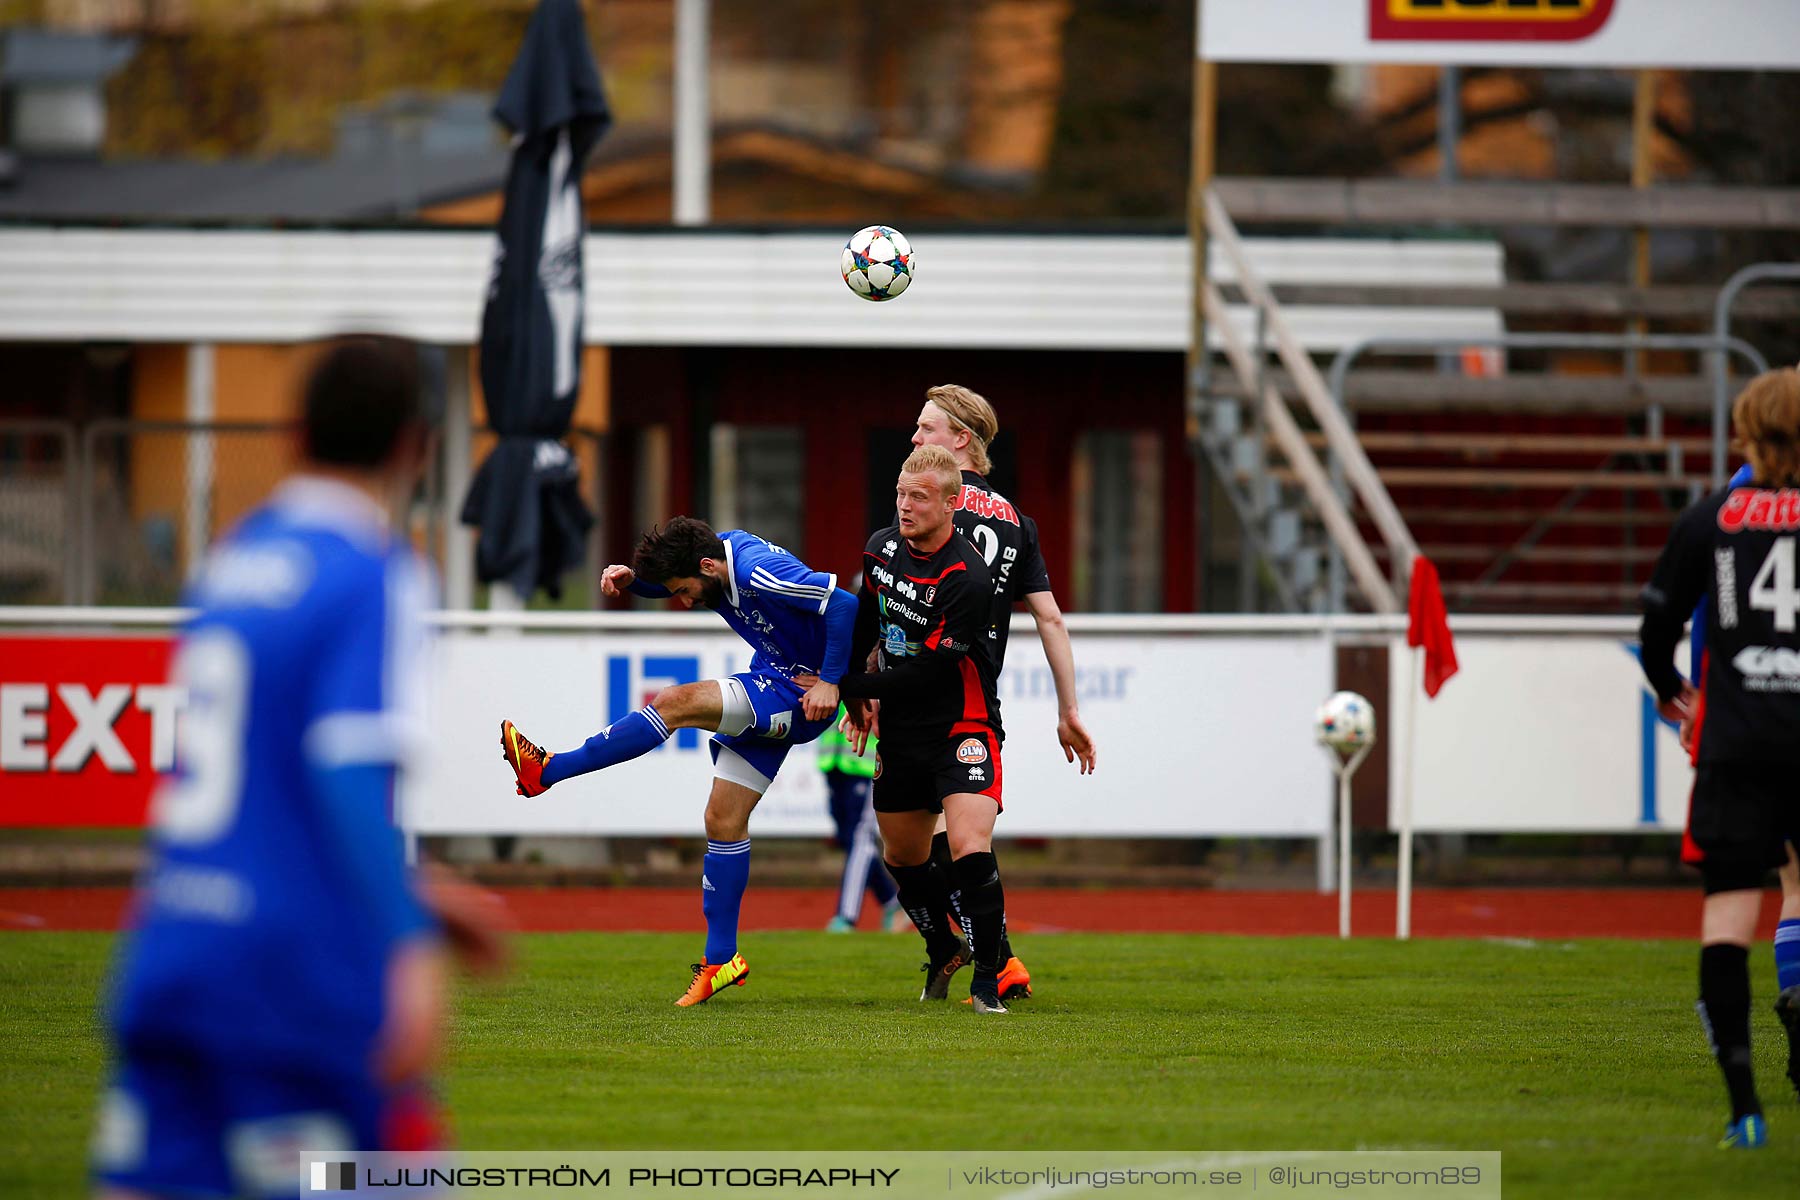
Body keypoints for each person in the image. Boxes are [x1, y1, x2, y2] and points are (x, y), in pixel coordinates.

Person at [92, 336, 509, 1200]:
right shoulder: (373, 574)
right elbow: (347, 773)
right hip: (289, 978)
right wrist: (409, 949)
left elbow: (258, 791)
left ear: (291, 433)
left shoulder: (229, 565)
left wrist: (426, 895)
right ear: (415, 446)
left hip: (171, 955)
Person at [500, 517, 856, 1005]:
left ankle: (547, 770)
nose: (685, 600)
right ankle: (721, 961)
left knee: (673, 701)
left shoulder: (755, 571)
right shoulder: (716, 560)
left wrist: (832, 681)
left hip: (797, 693)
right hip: (778, 678)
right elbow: (687, 579)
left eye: (685, 590)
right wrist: (636, 582)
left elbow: (842, 603)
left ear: (709, 566)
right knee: (722, 819)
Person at [1638, 366, 1800, 1150]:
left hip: (1737, 740)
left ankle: (1744, 1108)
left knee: (1728, 922)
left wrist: (1681, 697)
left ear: (1746, 430)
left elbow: (1658, 632)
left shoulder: (1714, 515)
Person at [901, 384, 1100, 1001]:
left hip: (924, 692)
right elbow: (1051, 618)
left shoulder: (928, 506)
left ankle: (989, 960)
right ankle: (994, 957)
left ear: (961, 440)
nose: (916, 439)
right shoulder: (1017, 521)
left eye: (928, 429)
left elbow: (898, 605)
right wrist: (1069, 709)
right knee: (946, 839)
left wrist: (870, 685)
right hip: (974, 698)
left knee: (926, 846)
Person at [805, 444, 1013, 1013]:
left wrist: (843, 690)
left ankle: (989, 979)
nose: (904, 506)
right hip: (899, 730)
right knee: (900, 856)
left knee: (970, 847)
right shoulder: (880, 550)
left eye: (918, 497)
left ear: (950, 504)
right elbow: (867, 623)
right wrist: (856, 695)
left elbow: (929, 673)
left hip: (961, 723)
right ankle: (943, 945)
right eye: (900, 494)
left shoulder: (969, 577)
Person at [1683, 458, 1800, 1105]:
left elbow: (1704, 600)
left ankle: (1748, 1108)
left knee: (1787, 881)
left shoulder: (1737, 493)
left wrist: (1700, 693)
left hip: (1754, 709)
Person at [817, 709, 901, 932]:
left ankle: (846, 916)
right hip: (833, 763)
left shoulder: (877, 673)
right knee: (851, 840)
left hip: (866, 765)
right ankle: (892, 901)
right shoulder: (831, 672)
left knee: (860, 839)